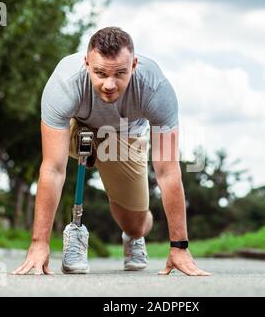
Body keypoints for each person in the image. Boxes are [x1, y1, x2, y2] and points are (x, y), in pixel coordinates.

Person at [12, 27, 210, 276]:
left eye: (119, 73)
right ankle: (76, 231)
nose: (109, 84)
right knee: (80, 140)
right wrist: (39, 243)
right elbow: (53, 168)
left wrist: (179, 246)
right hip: (78, 127)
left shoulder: (156, 89)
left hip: (125, 135)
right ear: (86, 63)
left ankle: (134, 236)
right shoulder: (64, 83)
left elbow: (168, 171)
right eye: (100, 73)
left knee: (136, 225)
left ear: (134, 65)